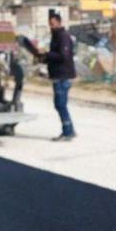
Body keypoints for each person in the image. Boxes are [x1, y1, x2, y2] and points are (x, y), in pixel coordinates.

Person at [39, 10, 76, 140]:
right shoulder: (55, 37)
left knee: (60, 104)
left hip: (62, 75)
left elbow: (64, 56)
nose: (51, 26)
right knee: (59, 104)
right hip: (57, 75)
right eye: (50, 24)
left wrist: (48, 54)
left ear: (59, 23)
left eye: (53, 24)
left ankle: (67, 132)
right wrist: (45, 57)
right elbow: (55, 55)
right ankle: (69, 129)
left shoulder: (63, 36)